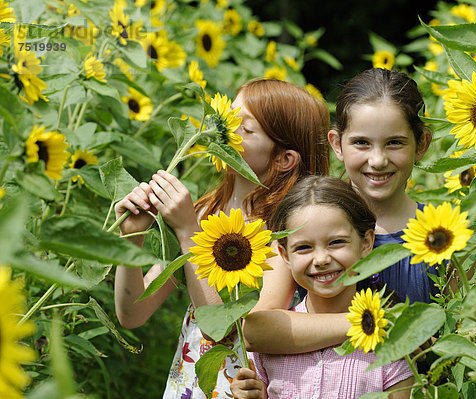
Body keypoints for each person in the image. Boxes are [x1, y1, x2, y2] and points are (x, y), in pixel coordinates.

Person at [113, 78, 330, 398]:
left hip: (239, 389)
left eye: (245, 127)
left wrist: (188, 231)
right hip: (188, 384)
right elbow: (133, 312)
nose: (224, 129)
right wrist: (131, 240)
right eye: (229, 117)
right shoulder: (205, 211)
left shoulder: (285, 233)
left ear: (284, 159)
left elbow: (232, 329)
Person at [244, 68, 435, 355]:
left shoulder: (444, 235)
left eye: (394, 142)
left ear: (421, 144)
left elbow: (467, 339)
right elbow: (257, 330)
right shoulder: (304, 224)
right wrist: (371, 324)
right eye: (361, 143)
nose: (378, 160)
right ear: (337, 144)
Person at [231, 176, 414, 399]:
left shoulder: (389, 346)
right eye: (304, 247)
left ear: (366, 243)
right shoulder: (271, 345)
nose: (321, 259)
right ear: (284, 255)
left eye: (336, 242)